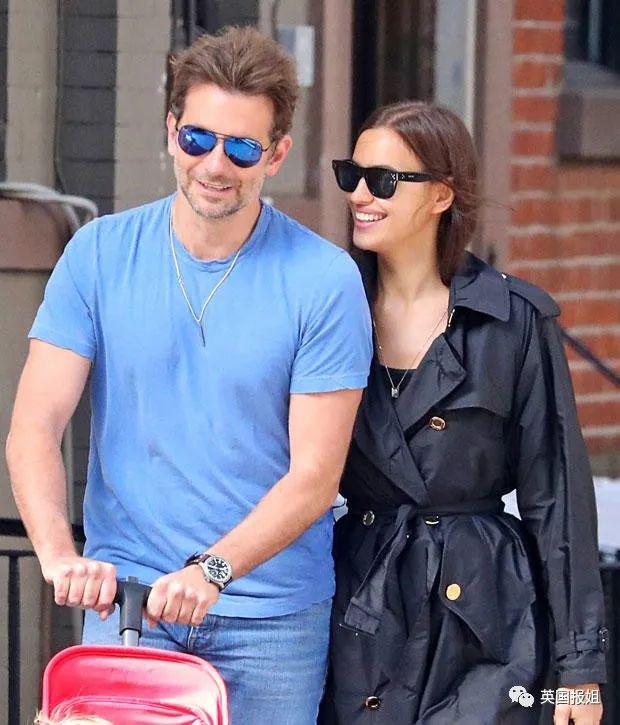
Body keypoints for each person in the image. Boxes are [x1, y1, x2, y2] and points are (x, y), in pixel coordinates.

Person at [6, 27, 372, 724]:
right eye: (199, 138)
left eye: (242, 148)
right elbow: (34, 426)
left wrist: (213, 570)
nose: (215, 164)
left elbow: (315, 476)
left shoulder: (323, 280)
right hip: (130, 608)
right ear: (172, 132)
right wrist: (58, 556)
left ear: (276, 155)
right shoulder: (99, 254)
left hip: (270, 622)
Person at [319, 101, 607, 724]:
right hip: (361, 599)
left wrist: (580, 670)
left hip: (483, 614)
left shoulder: (512, 321)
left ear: (441, 195)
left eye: (384, 180)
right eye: (352, 175)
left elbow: (557, 498)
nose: (360, 195)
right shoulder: (328, 309)